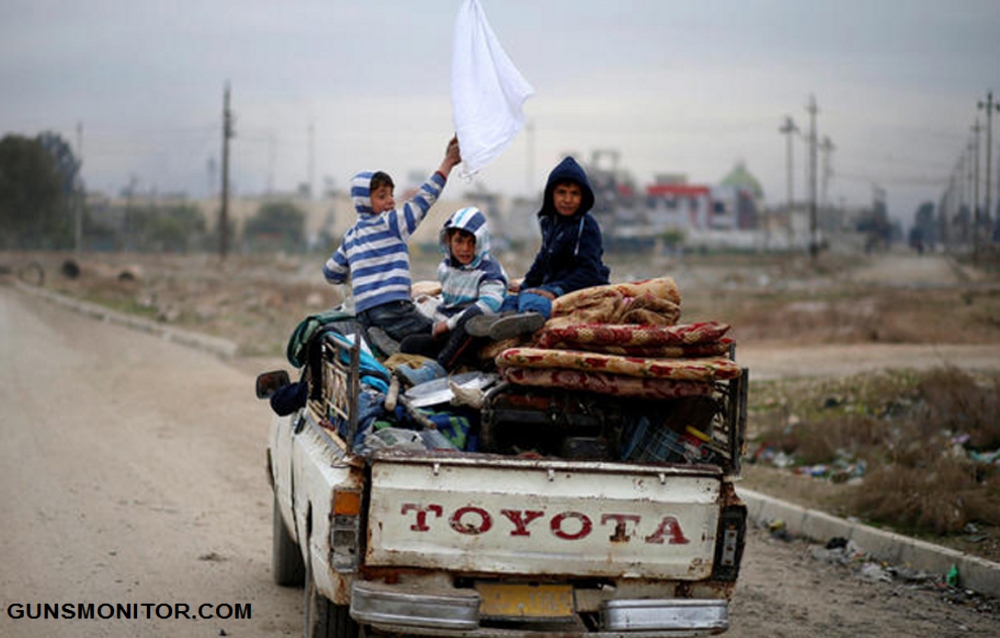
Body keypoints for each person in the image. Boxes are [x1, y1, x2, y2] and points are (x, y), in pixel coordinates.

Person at [323, 136, 462, 350]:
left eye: (391, 194)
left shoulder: (350, 236)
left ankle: (386, 340)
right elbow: (423, 200)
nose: (391, 200)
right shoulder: (391, 222)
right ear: (365, 202)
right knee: (441, 337)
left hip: (365, 313)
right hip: (393, 308)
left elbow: (331, 272)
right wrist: (448, 163)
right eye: (382, 196)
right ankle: (405, 350)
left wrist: (353, 273)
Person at [468, 155, 610, 340]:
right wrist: (526, 284)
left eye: (574, 193)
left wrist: (555, 290)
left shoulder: (587, 226)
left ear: (583, 197)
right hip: (553, 283)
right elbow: (543, 260)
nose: (567, 199)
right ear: (551, 195)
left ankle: (530, 319)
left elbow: (589, 271)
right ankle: (502, 320)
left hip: (580, 284)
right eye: (562, 192)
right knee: (510, 299)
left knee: (531, 298)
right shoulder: (551, 223)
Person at [399, 206, 508, 371]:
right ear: (448, 239)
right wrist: (442, 324)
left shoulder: (490, 271)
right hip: (448, 333)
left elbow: (488, 306)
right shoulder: (445, 267)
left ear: (482, 242)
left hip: (471, 333)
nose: (465, 249)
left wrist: (449, 324)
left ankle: (439, 368)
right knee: (409, 344)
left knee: (472, 321)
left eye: (472, 242)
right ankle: (455, 356)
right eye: (459, 241)